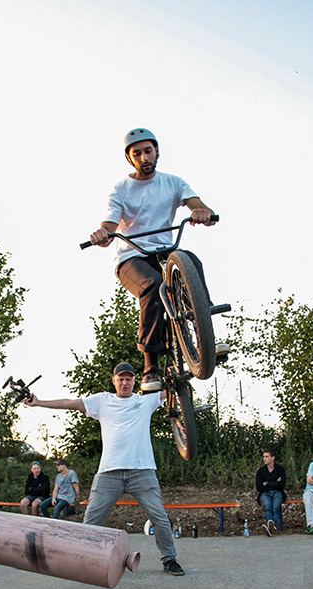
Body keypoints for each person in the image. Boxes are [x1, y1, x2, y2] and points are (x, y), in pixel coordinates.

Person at [88, 128, 222, 392]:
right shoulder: (120, 190)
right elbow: (111, 221)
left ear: (157, 151)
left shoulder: (174, 182)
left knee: (191, 260)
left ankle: (204, 336)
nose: (143, 157)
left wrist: (202, 213)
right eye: (136, 153)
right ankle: (151, 367)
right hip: (131, 257)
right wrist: (104, 233)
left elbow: (197, 204)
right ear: (130, 159)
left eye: (147, 151)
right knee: (153, 285)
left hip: (166, 251)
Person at [24, 362, 185, 575]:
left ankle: (169, 559)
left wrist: (197, 366)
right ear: (114, 381)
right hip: (109, 472)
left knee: (159, 517)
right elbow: (69, 403)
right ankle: (82, 560)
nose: (125, 383)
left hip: (142, 471)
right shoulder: (102, 401)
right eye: (121, 379)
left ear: (135, 381)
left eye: (129, 379)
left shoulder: (146, 400)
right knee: (91, 520)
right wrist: (38, 402)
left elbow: (177, 388)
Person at [255, 449, 286, 535]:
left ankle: (270, 528)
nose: (264, 459)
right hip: (264, 493)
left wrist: (267, 483)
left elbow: (282, 484)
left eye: (267, 457)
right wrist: (275, 483)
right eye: (264, 457)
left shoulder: (280, 469)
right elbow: (259, 487)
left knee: (276, 508)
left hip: (278, 492)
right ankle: (271, 527)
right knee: (268, 507)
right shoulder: (261, 471)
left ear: (273, 458)